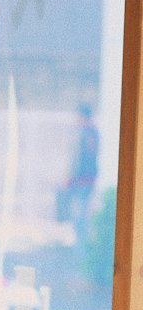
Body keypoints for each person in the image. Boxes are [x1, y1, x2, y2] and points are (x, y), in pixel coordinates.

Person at [56, 101, 99, 239]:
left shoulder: (85, 134)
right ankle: (81, 243)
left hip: (81, 180)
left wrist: (70, 178)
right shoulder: (93, 133)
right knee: (81, 214)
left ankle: (81, 247)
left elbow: (77, 159)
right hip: (87, 180)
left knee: (79, 216)